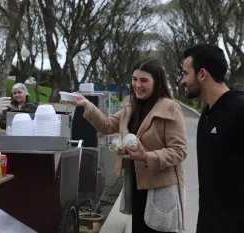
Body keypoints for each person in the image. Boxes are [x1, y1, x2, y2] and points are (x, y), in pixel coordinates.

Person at [66, 58, 187, 233]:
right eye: (134, 79)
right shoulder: (131, 106)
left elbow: (179, 151)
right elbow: (106, 125)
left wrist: (146, 156)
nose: (137, 85)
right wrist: (86, 104)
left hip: (160, 188)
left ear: (157, 82)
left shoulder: (170, 109)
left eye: (144, 80)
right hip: (136, 183)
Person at [181, 44, 244, 233]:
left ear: (202, 74)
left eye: (185, 73)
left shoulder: (240, 110)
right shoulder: (207, 115)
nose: (183, 80)